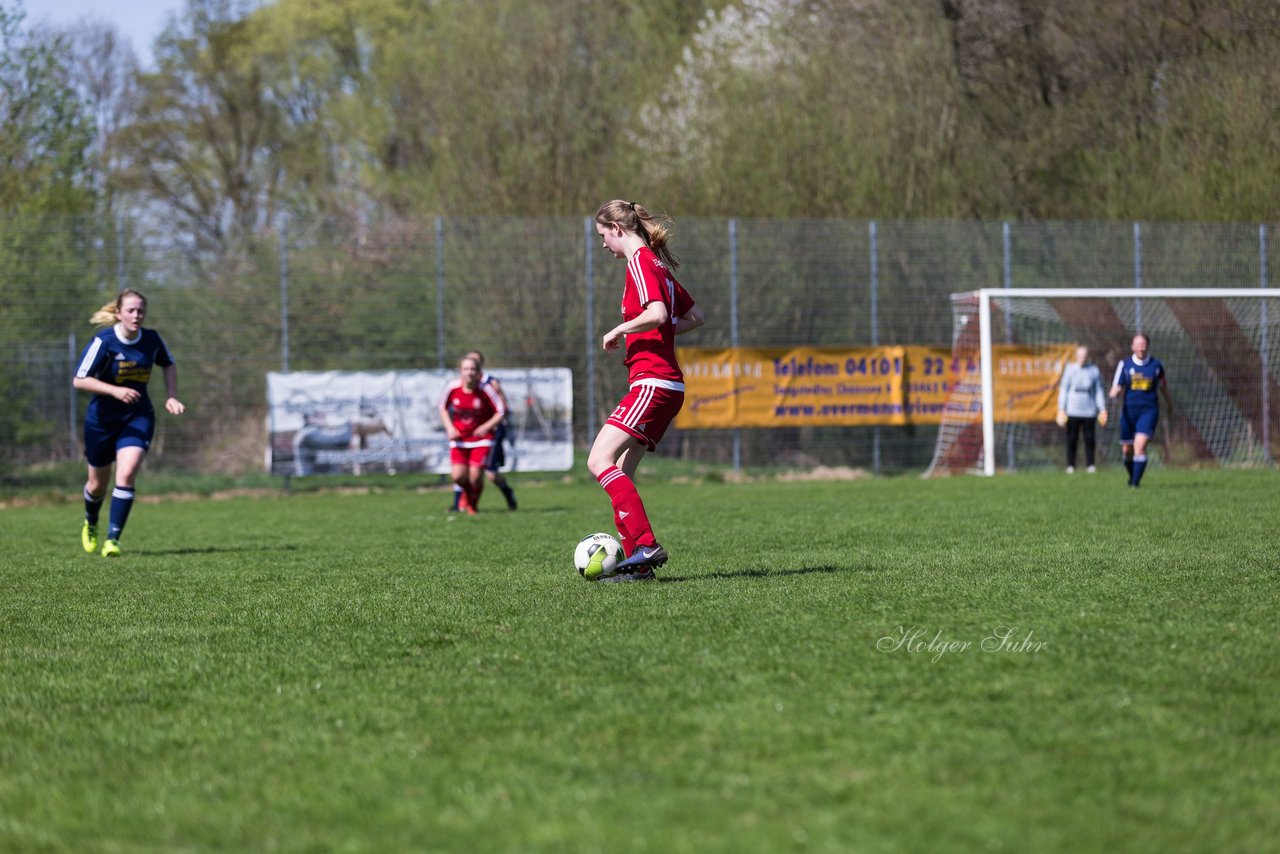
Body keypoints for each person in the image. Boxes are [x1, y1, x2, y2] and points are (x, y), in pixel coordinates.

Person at [586, 200, 705, 582]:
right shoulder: (657, 265)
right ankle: (639, 565)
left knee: (598, 460)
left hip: (653, 382)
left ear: (617, 231)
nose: (603, 245)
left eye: (603, 236)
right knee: (621, 470)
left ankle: (645, 545)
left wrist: (619, 330)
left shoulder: (639, 262)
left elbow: (656, 314)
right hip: (665, 384)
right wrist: (656, 329)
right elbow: (694, 317)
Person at [72, 288, 185, 556]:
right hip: (101, 419)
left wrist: (171, 396)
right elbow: (79, 379)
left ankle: (113, 539)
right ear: (119, 313)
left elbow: (168, 364)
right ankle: (91, 521)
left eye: (141, 310)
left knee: (126, 474)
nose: (137, 315)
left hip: (138, 415)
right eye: (131, 310)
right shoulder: (104, 341)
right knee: (97, 484)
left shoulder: (152, 340)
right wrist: (115, 390)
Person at [449, 350, 517, 511]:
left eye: (474, 363)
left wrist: (488, 425)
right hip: (465, 436)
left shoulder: (489, 383)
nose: (470, 368)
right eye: (467, 364)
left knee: (490, 473)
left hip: (490, 433)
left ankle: (508, 494)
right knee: (462, 473)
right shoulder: (456, 385)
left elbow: (502, 408)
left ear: (479, 366)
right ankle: (459, 503)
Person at [439, 354, 506, 514]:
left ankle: (472, 504)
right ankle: (469, 497)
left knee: (475, 477)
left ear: (478, 372)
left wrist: (487, 426)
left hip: (482, 439)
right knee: (458, 477)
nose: (469, 372)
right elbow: (442, 407)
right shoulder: (452, 387)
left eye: (473, 369)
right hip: (459, 438)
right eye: (466, 369)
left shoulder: (486, 390)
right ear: (460, 371)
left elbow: (501, 410)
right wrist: (449, 427)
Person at [1109, 333, 1172, 488]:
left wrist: (1170, 403)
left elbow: (1163, 387)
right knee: (1127, 450)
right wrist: (1114, 392)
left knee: (1140, 446)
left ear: (1147, 346)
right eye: (1137, 344)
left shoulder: (1156, 366)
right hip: (1129, 413)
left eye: (1143, 344)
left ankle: (1135, 483)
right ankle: (1133, 477)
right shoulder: (1125, 365)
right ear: (1132, 346)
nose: (1140, 347)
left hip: (1149, 411)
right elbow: (1117, 385)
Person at [1055, 345, 1108, 473]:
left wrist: (1102, 408)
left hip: (1089, 411)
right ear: (1076, 356)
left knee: (1090, 438)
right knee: (1072, 438)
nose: (1082, 358)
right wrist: (1061, 408)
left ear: (1088, 356)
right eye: (1080, 356)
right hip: (1072, 410)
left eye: (1084, 356)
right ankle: (1070, 465)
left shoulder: (1094, 370)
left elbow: (1098, 391)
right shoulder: (1070, 369)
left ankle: (1090, 465)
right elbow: (1063, 389)